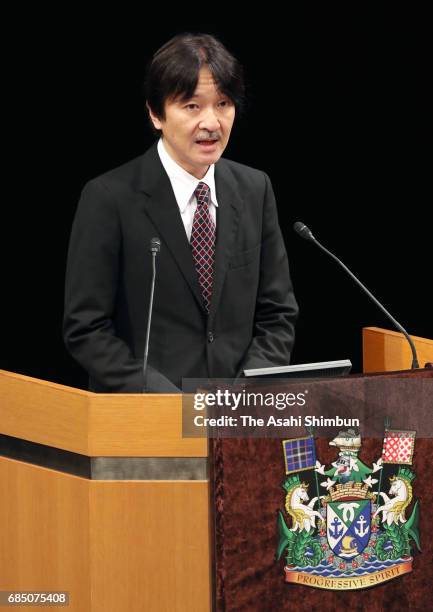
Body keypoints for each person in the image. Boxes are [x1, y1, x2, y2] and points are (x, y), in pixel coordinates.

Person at [63, 33, 298, 393]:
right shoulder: (109, 198)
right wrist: (167, 401)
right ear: (156, 113)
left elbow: (278, 315)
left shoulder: (255, 189)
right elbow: (86, 328)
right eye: (192, 106)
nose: (212, 122)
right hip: (145, 423)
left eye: (223, 104)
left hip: (235, 422)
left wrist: (244, 393)